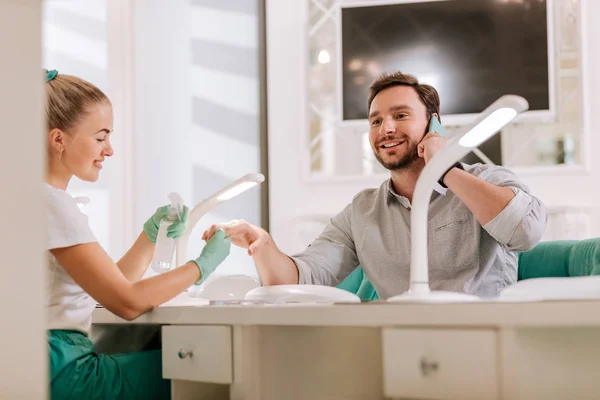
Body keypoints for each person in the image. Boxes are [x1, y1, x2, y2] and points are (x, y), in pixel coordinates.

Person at [203, 71, 547, 299]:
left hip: (484, 347)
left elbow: (526, 232)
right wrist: (262, 245)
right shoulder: (362, 212)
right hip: (398, 351)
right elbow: (297, 280)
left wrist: (446, 170)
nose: (386, 129)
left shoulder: (486, 181)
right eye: (376, 120)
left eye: (400, 116)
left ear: (434, 124)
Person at [44, 69, 231, 399]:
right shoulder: (53, 205)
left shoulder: (33, 198)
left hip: (45, 363)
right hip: (63, 371)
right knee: (214, 374)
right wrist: (202, 266)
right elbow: (127, 303)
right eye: (101, 138)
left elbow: (106, 289)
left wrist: (150, 235)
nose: (110, 150)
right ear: (58, 139)